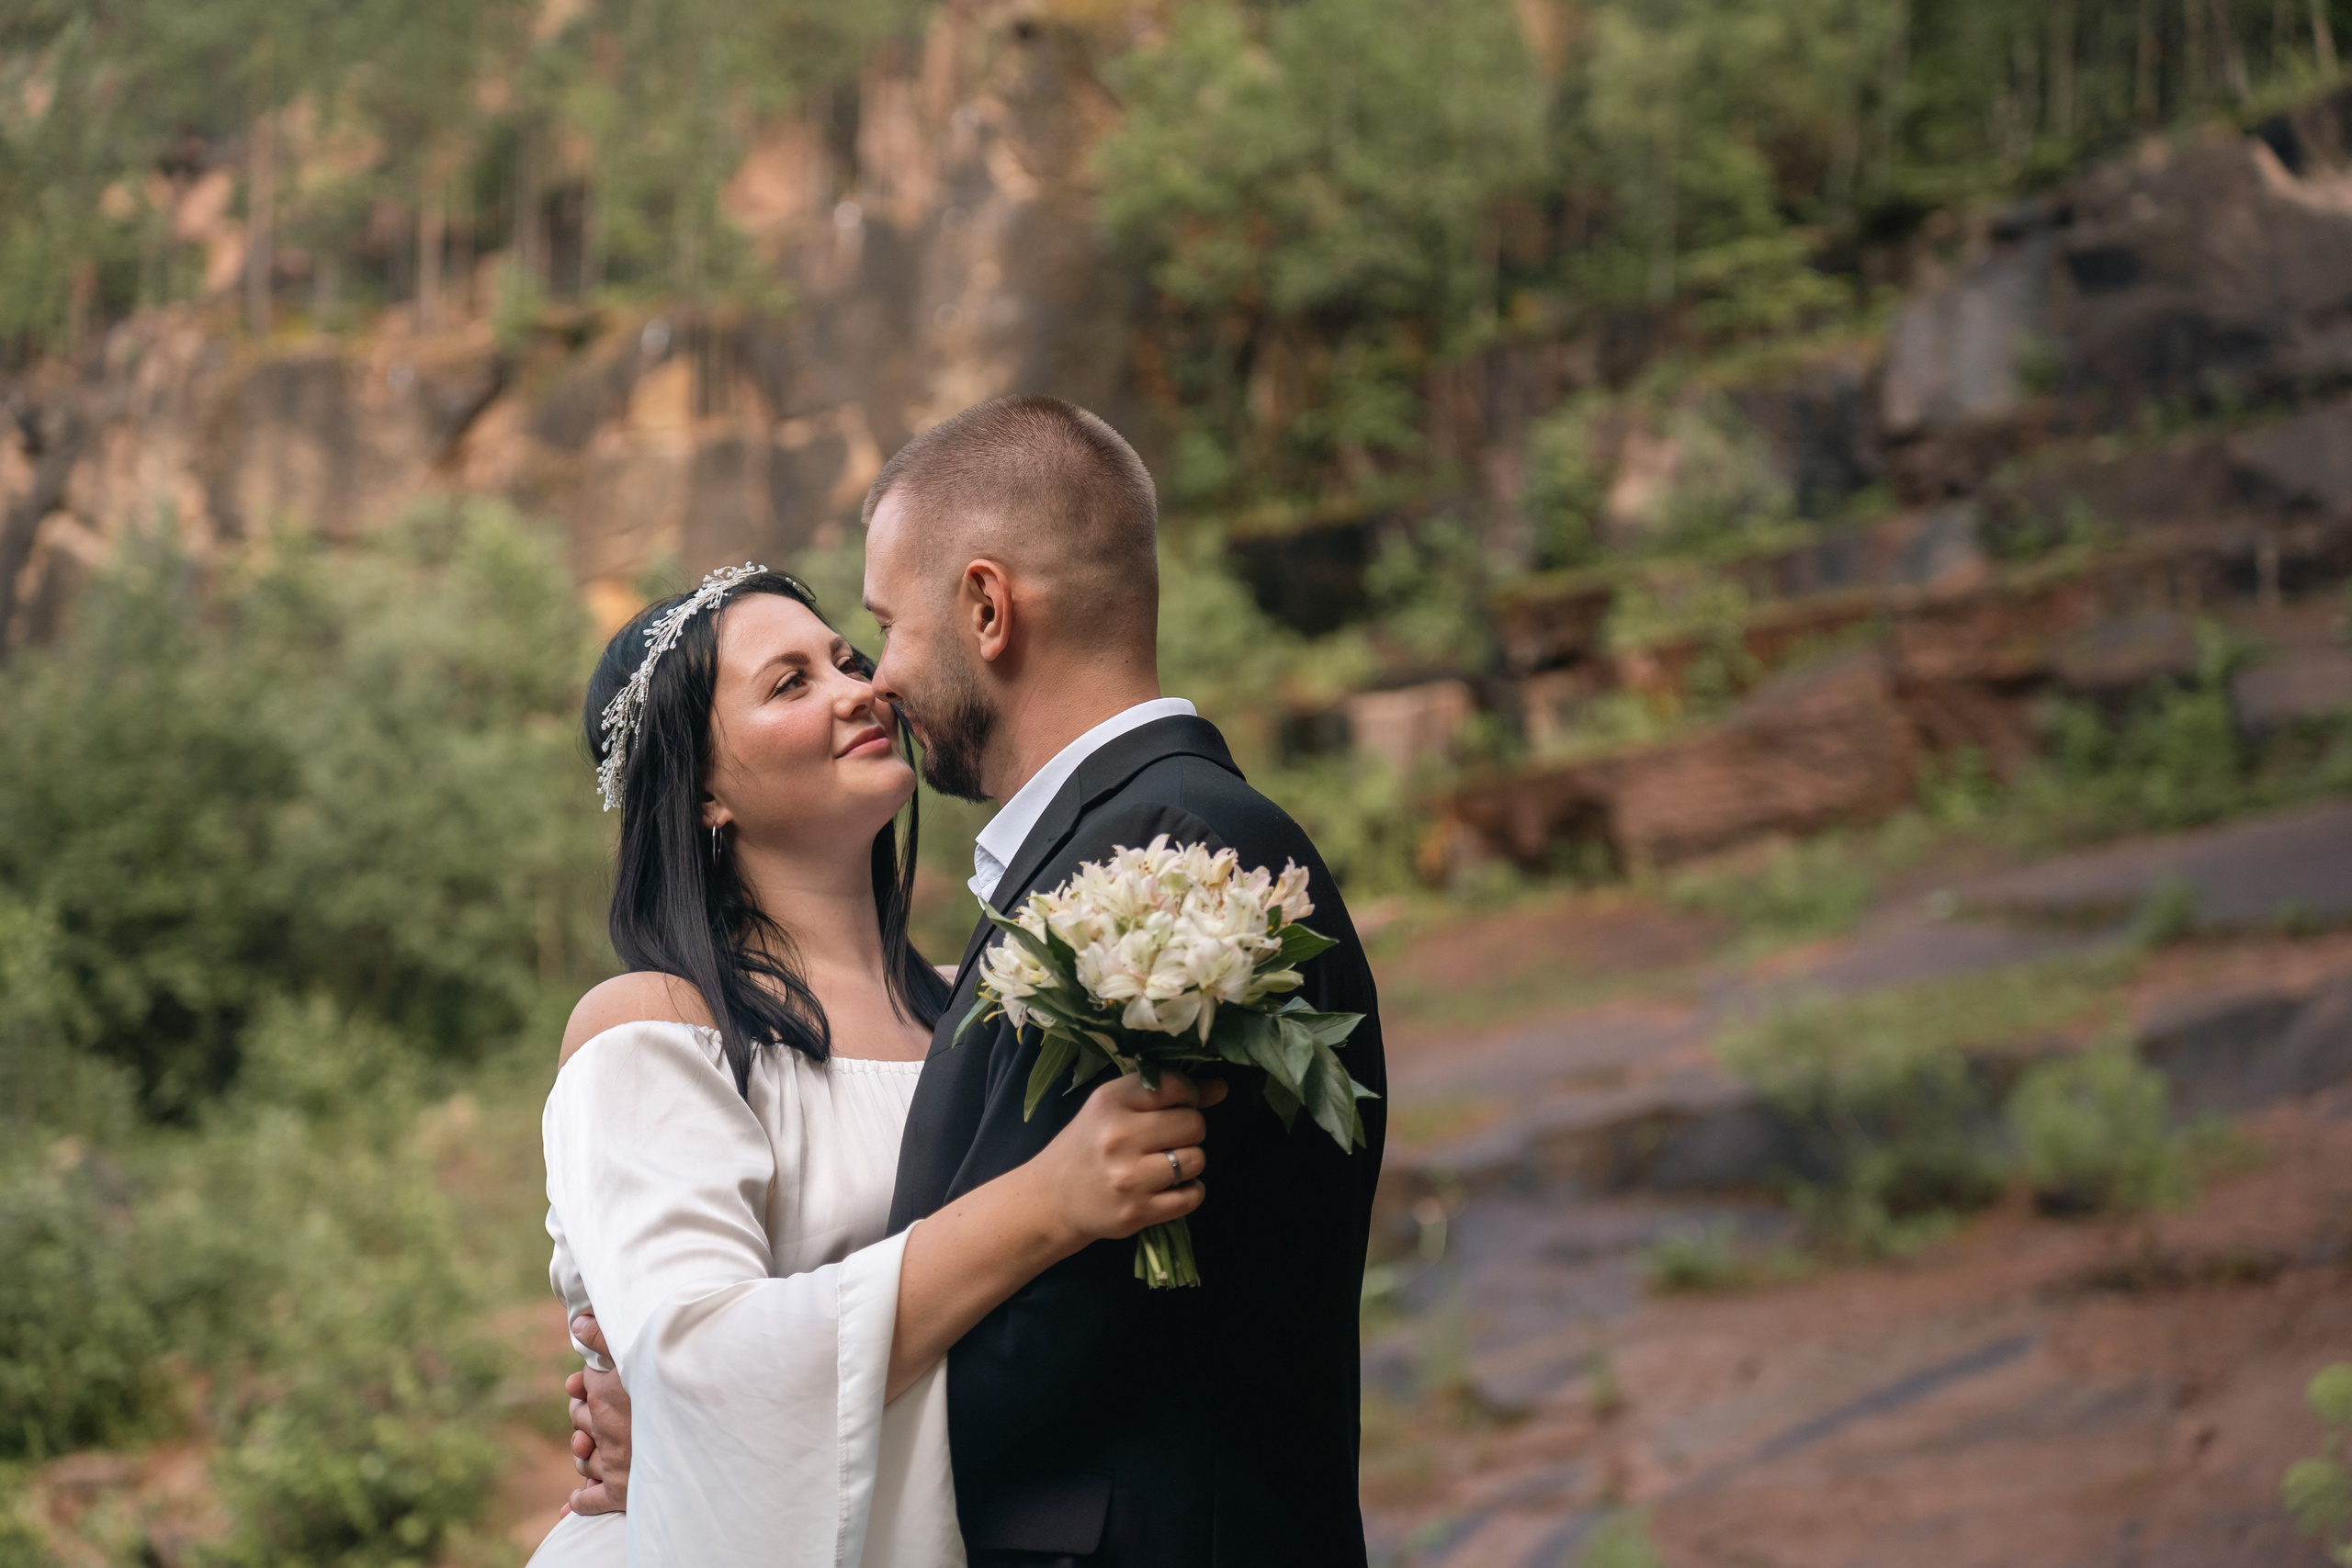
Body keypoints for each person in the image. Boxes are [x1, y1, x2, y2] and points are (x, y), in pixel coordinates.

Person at [529, 563, 1222, 1568]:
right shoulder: (653, 1029)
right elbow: (704, 1372)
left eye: (848, 659)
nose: (860, 689)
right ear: (701, 793)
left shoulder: (986, 998)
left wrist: (694, 1442)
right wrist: (1050, 1201)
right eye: (789, 683)